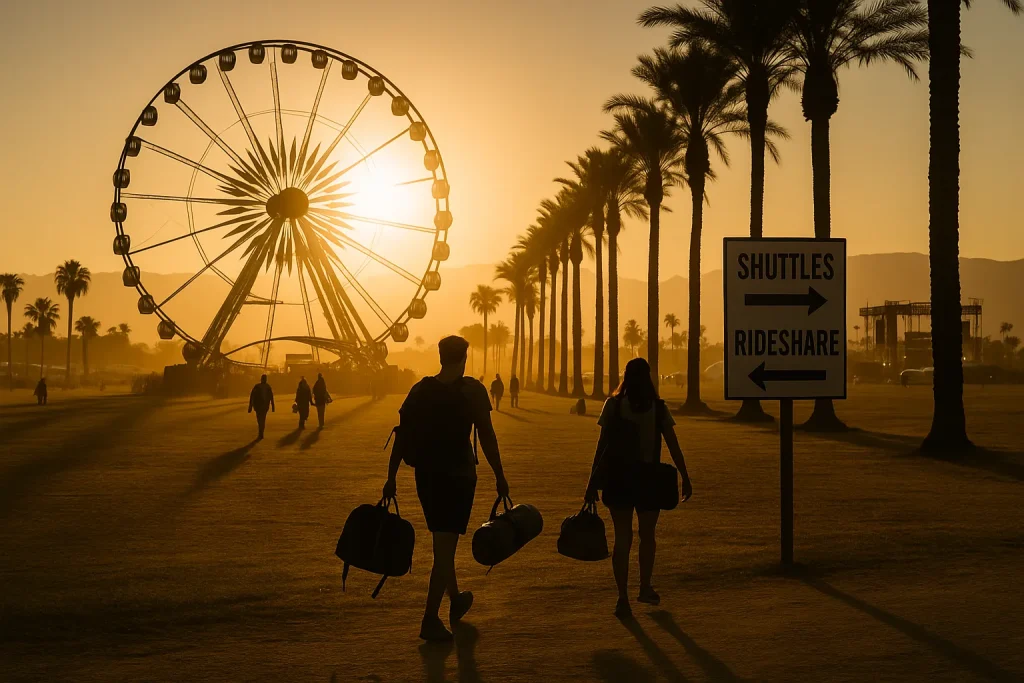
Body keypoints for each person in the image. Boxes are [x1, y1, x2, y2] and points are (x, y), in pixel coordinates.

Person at [383, 335, 510, 642]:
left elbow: (401, 436)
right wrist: (500, 475)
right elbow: (487, 436)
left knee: (443, 541)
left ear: (441, 357)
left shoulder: (420, 390)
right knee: (445, 545)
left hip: (426, 477)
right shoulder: (473, 391)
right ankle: (429, 618)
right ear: (464, 358)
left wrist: (391, 477)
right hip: (458, 476)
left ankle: (455, 599)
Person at [584, 357, 692, 619]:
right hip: (648, 478)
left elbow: (602, 446)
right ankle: (644, 587)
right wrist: (685, 477)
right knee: (647, 536)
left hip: (618, 479)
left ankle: (622, 597)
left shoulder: (614, 405)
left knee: (622, 539)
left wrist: (591, 482)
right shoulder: (658, 407)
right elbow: (673, 445)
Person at [248, 374, 275, 440]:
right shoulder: (264, 387)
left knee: (260, 419)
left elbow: (252, 396)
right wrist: (273, 406)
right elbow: (252, 396)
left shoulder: (259, 387)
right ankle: (261, 431)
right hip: (261, 406)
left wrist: (250, 406)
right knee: (262, 419)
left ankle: (261, 432)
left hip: (261, 406)